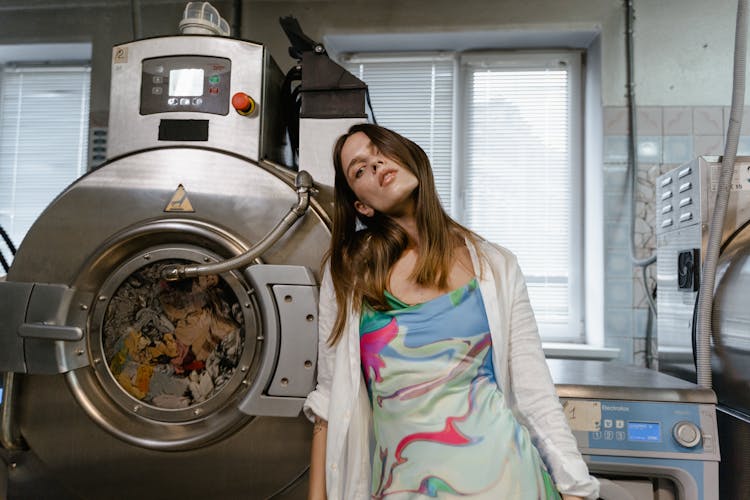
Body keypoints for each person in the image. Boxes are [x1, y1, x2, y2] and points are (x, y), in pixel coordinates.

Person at [303, 123, 600, 500]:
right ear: (361, 204)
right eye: (359, 170)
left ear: (410, 157)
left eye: (381, 150)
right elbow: (329, 397)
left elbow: (535, 395)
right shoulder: (348, 271)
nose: (375, 164)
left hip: (511, 482)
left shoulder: (496, 267)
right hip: (401, 488)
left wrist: (575, 488)